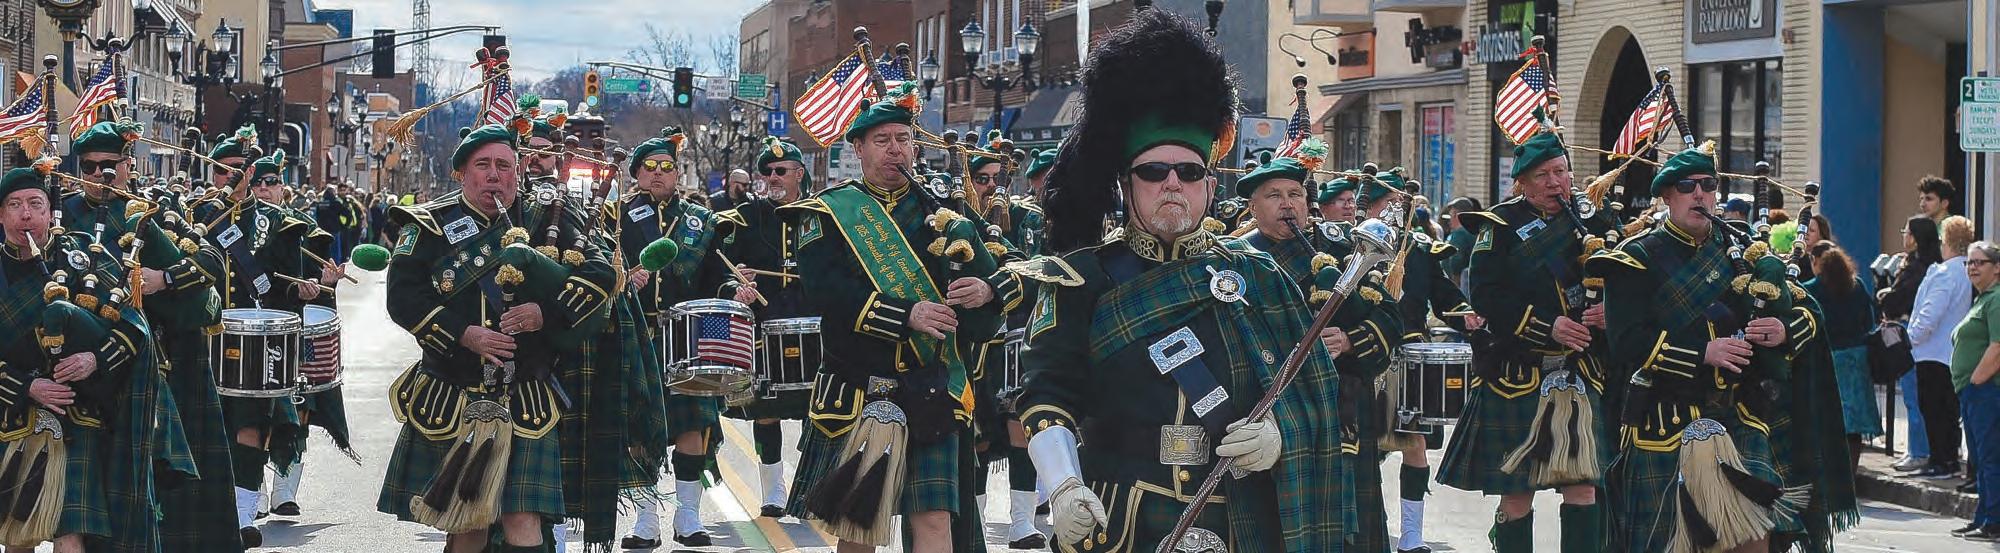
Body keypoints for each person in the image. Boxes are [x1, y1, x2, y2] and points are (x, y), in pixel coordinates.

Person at [1015, 9, 1349, 552]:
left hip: (1237, 517)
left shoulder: (1259, 275)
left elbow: (1316, 394)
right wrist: (1064, 485)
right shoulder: (1081, 279)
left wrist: (1278, 435)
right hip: (1121, 518)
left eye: (1189, 172)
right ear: (1126, 184)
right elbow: (1046, 394)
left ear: (1210, 186)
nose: (1172, 183)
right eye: (1153, 171)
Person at [779, 80, 1004, 553]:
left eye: (903, 138)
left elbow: (1004, 274)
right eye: (882, 140)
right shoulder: (829, 214)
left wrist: (984, 289)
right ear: (858, 148)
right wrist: (907, 315)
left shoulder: (946, 213)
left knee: (935, 521)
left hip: (932, 389)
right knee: (858, 528)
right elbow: (827, 293)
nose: (895, 149)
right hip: (860, 387)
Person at [375, 123, 615, 552]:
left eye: (504, 165)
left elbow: (600, 272)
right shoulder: (430, 225)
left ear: (517, 171)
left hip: (526, 394)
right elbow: (403, 298)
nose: (493, 174)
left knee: (523, 520)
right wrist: (464, 334)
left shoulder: (547, 216)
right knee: (468, 523)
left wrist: (546, 314)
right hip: (454, 389)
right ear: (461, 173)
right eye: (482, 165)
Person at [1589, 142, 1811, 552]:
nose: (1699, 194)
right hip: (1664, 417)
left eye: (1708, 185)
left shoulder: (1742, 249)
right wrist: (1703, 353)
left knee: (1753, 537)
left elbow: (1806, 311)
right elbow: (1626, 341)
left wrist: (1782, 329)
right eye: (1687, 186)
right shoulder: (1636, 257)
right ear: (1666, 195)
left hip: (1738, 413)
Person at [63, 121, 242, 552]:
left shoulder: (158, 210)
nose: (100, 175)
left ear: (129, 164)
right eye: (89, 166)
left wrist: (164, 279)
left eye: (110, 165)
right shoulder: (62, 215)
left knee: (170, 487)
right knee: (92, 492)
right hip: (92, 369)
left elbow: (212, 265)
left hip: (165, 361)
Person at [0, 165, 195, 553]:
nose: (26, 215)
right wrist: (28, 386)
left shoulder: (81, 255)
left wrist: (96, 359)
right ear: (1, 215)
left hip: (81, 413)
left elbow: (133, 325)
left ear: (49, 211)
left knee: (70, 535)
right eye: (15, 205)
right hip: (13, 415)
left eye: (35, 204)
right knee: (17, 537)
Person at [1440, 130, 1615, 552]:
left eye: (1561, 171)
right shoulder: (1499, 226)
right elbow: (1486, 295)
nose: (1555, 182)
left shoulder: (1596, 220)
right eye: (1543, 175)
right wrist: (1548, 326)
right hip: (1518, 373)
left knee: (1583, 488)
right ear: (1522, 182)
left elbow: (1627, 279)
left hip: (1580, 371)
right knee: (1518, 493)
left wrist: (1611, 311)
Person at [1236, 143, 1403, 552]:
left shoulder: (1343, 248)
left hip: (1340, 410)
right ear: (1253, 207)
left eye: (1295, 194)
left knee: (1348, 532)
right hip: (1268, 412)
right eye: (1274, 196)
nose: (1287, 204)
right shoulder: (1237, 258)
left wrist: (1349, 341)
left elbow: (1389, 318)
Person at [615, 126, 750, 548]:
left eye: (667, 167)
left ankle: (688, 516)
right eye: (650, 166)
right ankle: (646, 520)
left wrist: (734, 289)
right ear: (637, 173)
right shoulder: (616, 217)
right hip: (639, 335)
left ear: (677, 173)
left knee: (693, 425)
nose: (658, 173)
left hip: (690, 336)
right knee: (640, 430)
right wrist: (622, 278)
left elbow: (717, 276)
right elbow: (598, 270)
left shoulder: (698, 220)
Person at [714, 136, 815, 522]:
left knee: (818, 414)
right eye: (767, 172)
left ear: (799, 174)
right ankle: (773, 491)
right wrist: (736, 281)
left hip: (815, 327)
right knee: (766, 413)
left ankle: (810, 487)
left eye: (780, 171)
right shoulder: (747, 217)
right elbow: (722, 267)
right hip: (763, 329)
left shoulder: (820, 214)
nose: (772, 177)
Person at [1803, 241, 1882, 468]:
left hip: (1826, 359)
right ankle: (1851, 474)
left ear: (1816, 261)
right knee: (1853, 425)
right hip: (1856, 360)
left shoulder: (1810, 289)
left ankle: (1830, 474)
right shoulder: (1857, 285)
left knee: (1826, 421)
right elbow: (1869, 321)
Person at [1908, 216, 1976, 480]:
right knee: (1948, 409)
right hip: (1952, 352)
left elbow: (1930, 313)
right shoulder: (1967, 271)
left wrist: (1910, 338)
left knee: (1933, 408)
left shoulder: (1945, 273)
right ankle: (1948, 458)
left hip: (1932, 351)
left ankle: (1941, 460)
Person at [1882, 215, 1942, 472]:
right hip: (1917, 335)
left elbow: (1898, 300)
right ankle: (1916, 449)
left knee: (1913, 395)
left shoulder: (1919, 269)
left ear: (1916, 239)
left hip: (1912, 333)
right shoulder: (1922, 265)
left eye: (1907, 232)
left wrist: (1885, 295)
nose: (1904, 237)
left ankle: (1919, 451)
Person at [1951, 240, 2000, 541]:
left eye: (1980, 262)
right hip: (1973, 393)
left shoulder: (1996, 299)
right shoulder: (1982, 299)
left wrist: (1976, 381)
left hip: (1986, 391)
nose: (1972, 267)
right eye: (1969, 262)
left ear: (1997, 268)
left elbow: (1997, 346)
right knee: (1980, 458)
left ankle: (1994, 521)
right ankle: (1983, 516)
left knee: (1990, 456)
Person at [1441, 196, 1481, 283]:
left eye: (1451, 215)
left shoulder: (1460, 233)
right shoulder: (1474, 231)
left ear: (1456, 214)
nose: (1449, 221)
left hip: (1457, 282)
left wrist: (1454, 280)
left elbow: (1456, 260)